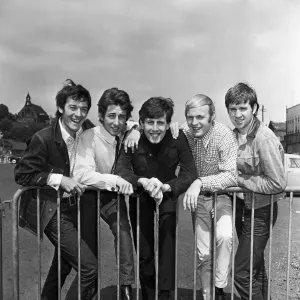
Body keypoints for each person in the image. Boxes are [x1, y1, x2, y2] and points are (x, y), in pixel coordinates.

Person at [14, 79, 97, 300]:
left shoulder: (87, 131)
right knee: (89, 268)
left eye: (83, 109)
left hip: (74, 208)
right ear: (60, 108)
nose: (78, 114)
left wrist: (133, 129)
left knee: (62, 266)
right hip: (52, 209)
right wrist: (59, 179)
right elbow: (22, 174)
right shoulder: (43, 138)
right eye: (73, 107)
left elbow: (111, 130)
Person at [114, 97, 198, 300]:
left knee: (167, 245)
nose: (155, 128)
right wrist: (141, 181)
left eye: (160, 122)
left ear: (168, 124)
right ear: (141, 123)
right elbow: (121, 170)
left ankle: (165, 294)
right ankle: (148, 295)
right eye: (150, 122)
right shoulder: (132, 138)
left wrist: (169, 186)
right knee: (144, 249)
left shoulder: (178, 138)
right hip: (141, 193)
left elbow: (189, 172)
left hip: (167, 192)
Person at [73, 87, 140, 300]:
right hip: (88, 196)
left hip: (111, 197)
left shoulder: (126, 130)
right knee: (86, 250)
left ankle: (126, 286)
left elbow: (134, 123)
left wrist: (136, 129)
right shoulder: (88, 137)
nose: (116, 122)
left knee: (123, 233)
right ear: (101, 116)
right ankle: (83, 292)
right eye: (111, 116)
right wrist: (115, 180)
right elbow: (83, 175)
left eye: (122, 117)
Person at [225, 82, 286, 300]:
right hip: (242, 209)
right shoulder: (231, 137)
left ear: (254, 109)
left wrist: (241, 180)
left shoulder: (264, 137)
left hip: (260, 211)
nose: (238, 114)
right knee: (255, 268)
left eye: (243, 108)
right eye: (233, 109)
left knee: (241, 273)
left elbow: (277, 183)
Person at [182, 94, 238, 300]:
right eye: (190, 117)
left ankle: (220, 287)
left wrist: (200, 182)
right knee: (203, 252)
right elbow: (156, 129)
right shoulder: (184, 133)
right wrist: (133, 130)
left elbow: (231, 175)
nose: (194, 123)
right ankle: (207, 295)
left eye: (200, 117)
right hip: (198, 200)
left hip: (221, 196)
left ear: (211, 116)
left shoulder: (223, 134)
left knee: (225, 236)